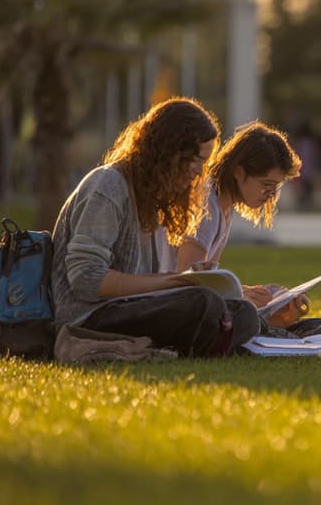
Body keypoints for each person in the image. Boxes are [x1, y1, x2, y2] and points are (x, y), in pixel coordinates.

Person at [50, 97, 259, 357]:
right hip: (90, 316)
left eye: (204, 162)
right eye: (194, 159)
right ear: (167, 151)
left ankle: (205, 338)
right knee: (204, 306)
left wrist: (188, 280)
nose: (199, 172)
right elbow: (86, 279)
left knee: (245, 313)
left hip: (131, 306)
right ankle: (206, 339)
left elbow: (147, 281)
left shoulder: (153, 198)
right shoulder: (108, 186)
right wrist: (171, 284)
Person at [170, 121, 321, 334]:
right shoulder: (208, 205)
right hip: (176, 306)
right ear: (238, 172)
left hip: (194, 304)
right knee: (245, 314)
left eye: (276, 187)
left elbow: (208, 278)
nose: (271, 194)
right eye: (267, 184)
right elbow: (187, 280)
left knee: (315, 324)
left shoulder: (224, 207)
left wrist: (265, 297)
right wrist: (241, 296)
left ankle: (274, 323)